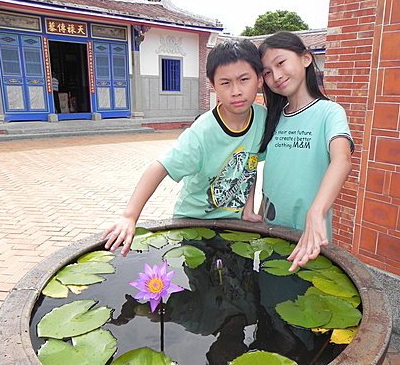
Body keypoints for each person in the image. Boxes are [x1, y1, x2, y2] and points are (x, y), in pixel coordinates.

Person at [103, 38, 266, 256]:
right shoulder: (202, 132)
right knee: (201, 286)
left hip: (235, 224)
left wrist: (248, 208)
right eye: (225, 83)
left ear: (260, 79)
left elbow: (249, 165)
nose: (236, 91)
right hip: (193, 223)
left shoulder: (262, 119)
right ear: (213, 85)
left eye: (244, 79)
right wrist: (129, 216)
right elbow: (159, 167)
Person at [257, 31, 354, 271]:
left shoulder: (329, 112)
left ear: (306, 59)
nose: (276, 76)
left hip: (309, 240)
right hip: (270, 235)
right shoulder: (273, 117)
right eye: (267, 72)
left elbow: (341, 160)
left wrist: (316, 211)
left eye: (281, 63)